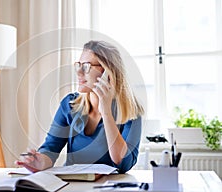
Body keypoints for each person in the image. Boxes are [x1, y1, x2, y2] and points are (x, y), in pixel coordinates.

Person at [17, 40, 144, 173]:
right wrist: (38, 161)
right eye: (78, 65)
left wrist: (106, 112)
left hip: (109, 189)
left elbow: (123, 164)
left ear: (108, 72)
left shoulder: (131, 111)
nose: (79, 73)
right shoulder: (70, 104)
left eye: (86, 66)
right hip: (73, 187)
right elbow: (51, 149)